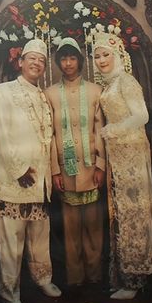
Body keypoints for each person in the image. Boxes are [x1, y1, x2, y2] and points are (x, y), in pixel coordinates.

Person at [0, 38, 62, 303]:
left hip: (40, 185)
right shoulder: (4, 91)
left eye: (42, 61)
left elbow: (50, 139)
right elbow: (0, 133)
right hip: (13, 182)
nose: (37, 63)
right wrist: (20, 170)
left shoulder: (43, 97)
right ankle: (10, 292)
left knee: (39, 239)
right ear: (20, 62)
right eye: (31, 58)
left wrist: (48, 175)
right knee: (11, 240)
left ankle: (43, 279)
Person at [91, 32, 152, 300]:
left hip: (132, 152)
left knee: (134, 211)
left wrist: (114, 130)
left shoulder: (126, 81)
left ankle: (135, 280)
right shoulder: (110, 85)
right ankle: (123, 275)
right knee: (121, 212)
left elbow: (141, 116)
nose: (101, 60)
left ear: (118, 55)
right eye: (97, 56)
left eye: (106, 55)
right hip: (117, 156)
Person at [44, 38, 106, 289]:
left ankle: (95, 275)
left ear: (80, 61)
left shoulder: (95, 92)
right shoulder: (49, 94)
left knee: (93, 226)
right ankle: (75, 278)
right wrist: (55, 170)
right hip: (66, 171)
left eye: (72, 58)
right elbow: (50, 136)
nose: (68, 63)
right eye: (63, 59)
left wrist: (101, 165)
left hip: (91, 169)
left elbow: (100, 128)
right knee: (70, 229)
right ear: (58, 63)